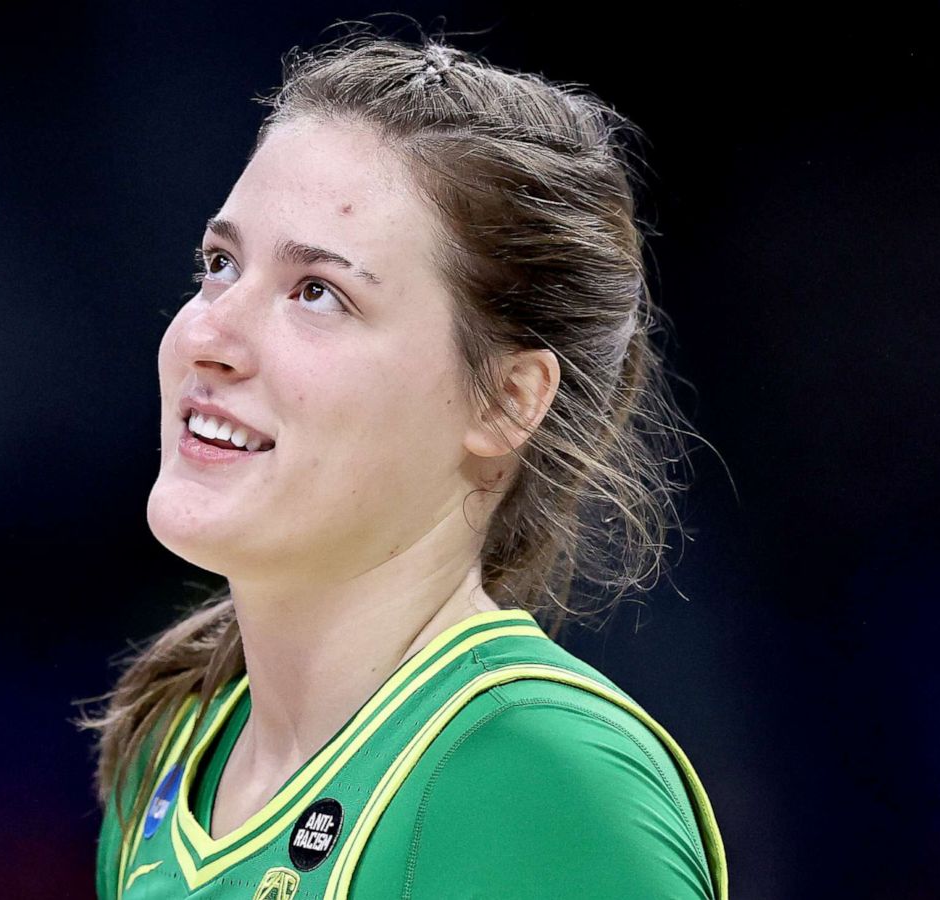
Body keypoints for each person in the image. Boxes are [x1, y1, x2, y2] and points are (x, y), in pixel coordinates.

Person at [78, 29, 728, 900]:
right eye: (220, 265)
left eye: (319, 292)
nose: (207, 336)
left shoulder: (539, 781)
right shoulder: (172, 753)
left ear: (505, 400)